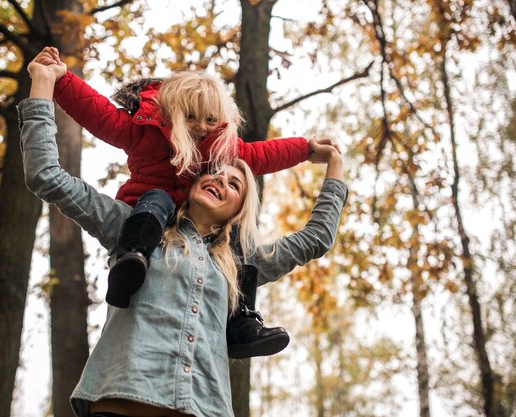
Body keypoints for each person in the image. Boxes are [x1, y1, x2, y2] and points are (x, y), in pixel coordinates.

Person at [22, 56, 347, 417]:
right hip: (121, 402)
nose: (221, 179)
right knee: (149, 214)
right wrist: (45, 84)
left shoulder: (237, 263)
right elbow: (47, 176)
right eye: (215, 174)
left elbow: (315, 238)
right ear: (194, 182)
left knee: (243, 276)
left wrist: (332, 165)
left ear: (240, 208)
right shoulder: (133, 228)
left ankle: (243, 321)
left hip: (203, 408)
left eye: (235, 183)